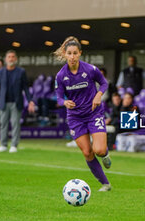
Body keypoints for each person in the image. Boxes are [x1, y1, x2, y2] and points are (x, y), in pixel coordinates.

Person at [54, 36, 112, 191]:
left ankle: (105, 154)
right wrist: (64, 102)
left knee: (98, 150)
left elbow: (104, 83)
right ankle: (105, 184)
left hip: (94, 113)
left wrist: (99, 94)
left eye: (75, 53)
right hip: (75, 117)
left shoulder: (90, 69)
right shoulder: (61, 76)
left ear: (80, 53)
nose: (72, 57)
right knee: (87, 152)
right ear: (65, 55)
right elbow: (59, 97)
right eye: (69, 53)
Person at [0, 51, 35, 153]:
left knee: (15, 124)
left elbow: (25, 87)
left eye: (13, 57)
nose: (11, 59)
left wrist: (30, 101)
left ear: (16, 59)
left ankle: (14, 145)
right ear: (6, 59)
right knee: (3, 124)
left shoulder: (21, 71)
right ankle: (3, 145)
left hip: (16, 102)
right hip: (3, 102)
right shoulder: (0, 72)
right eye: (9, 57)